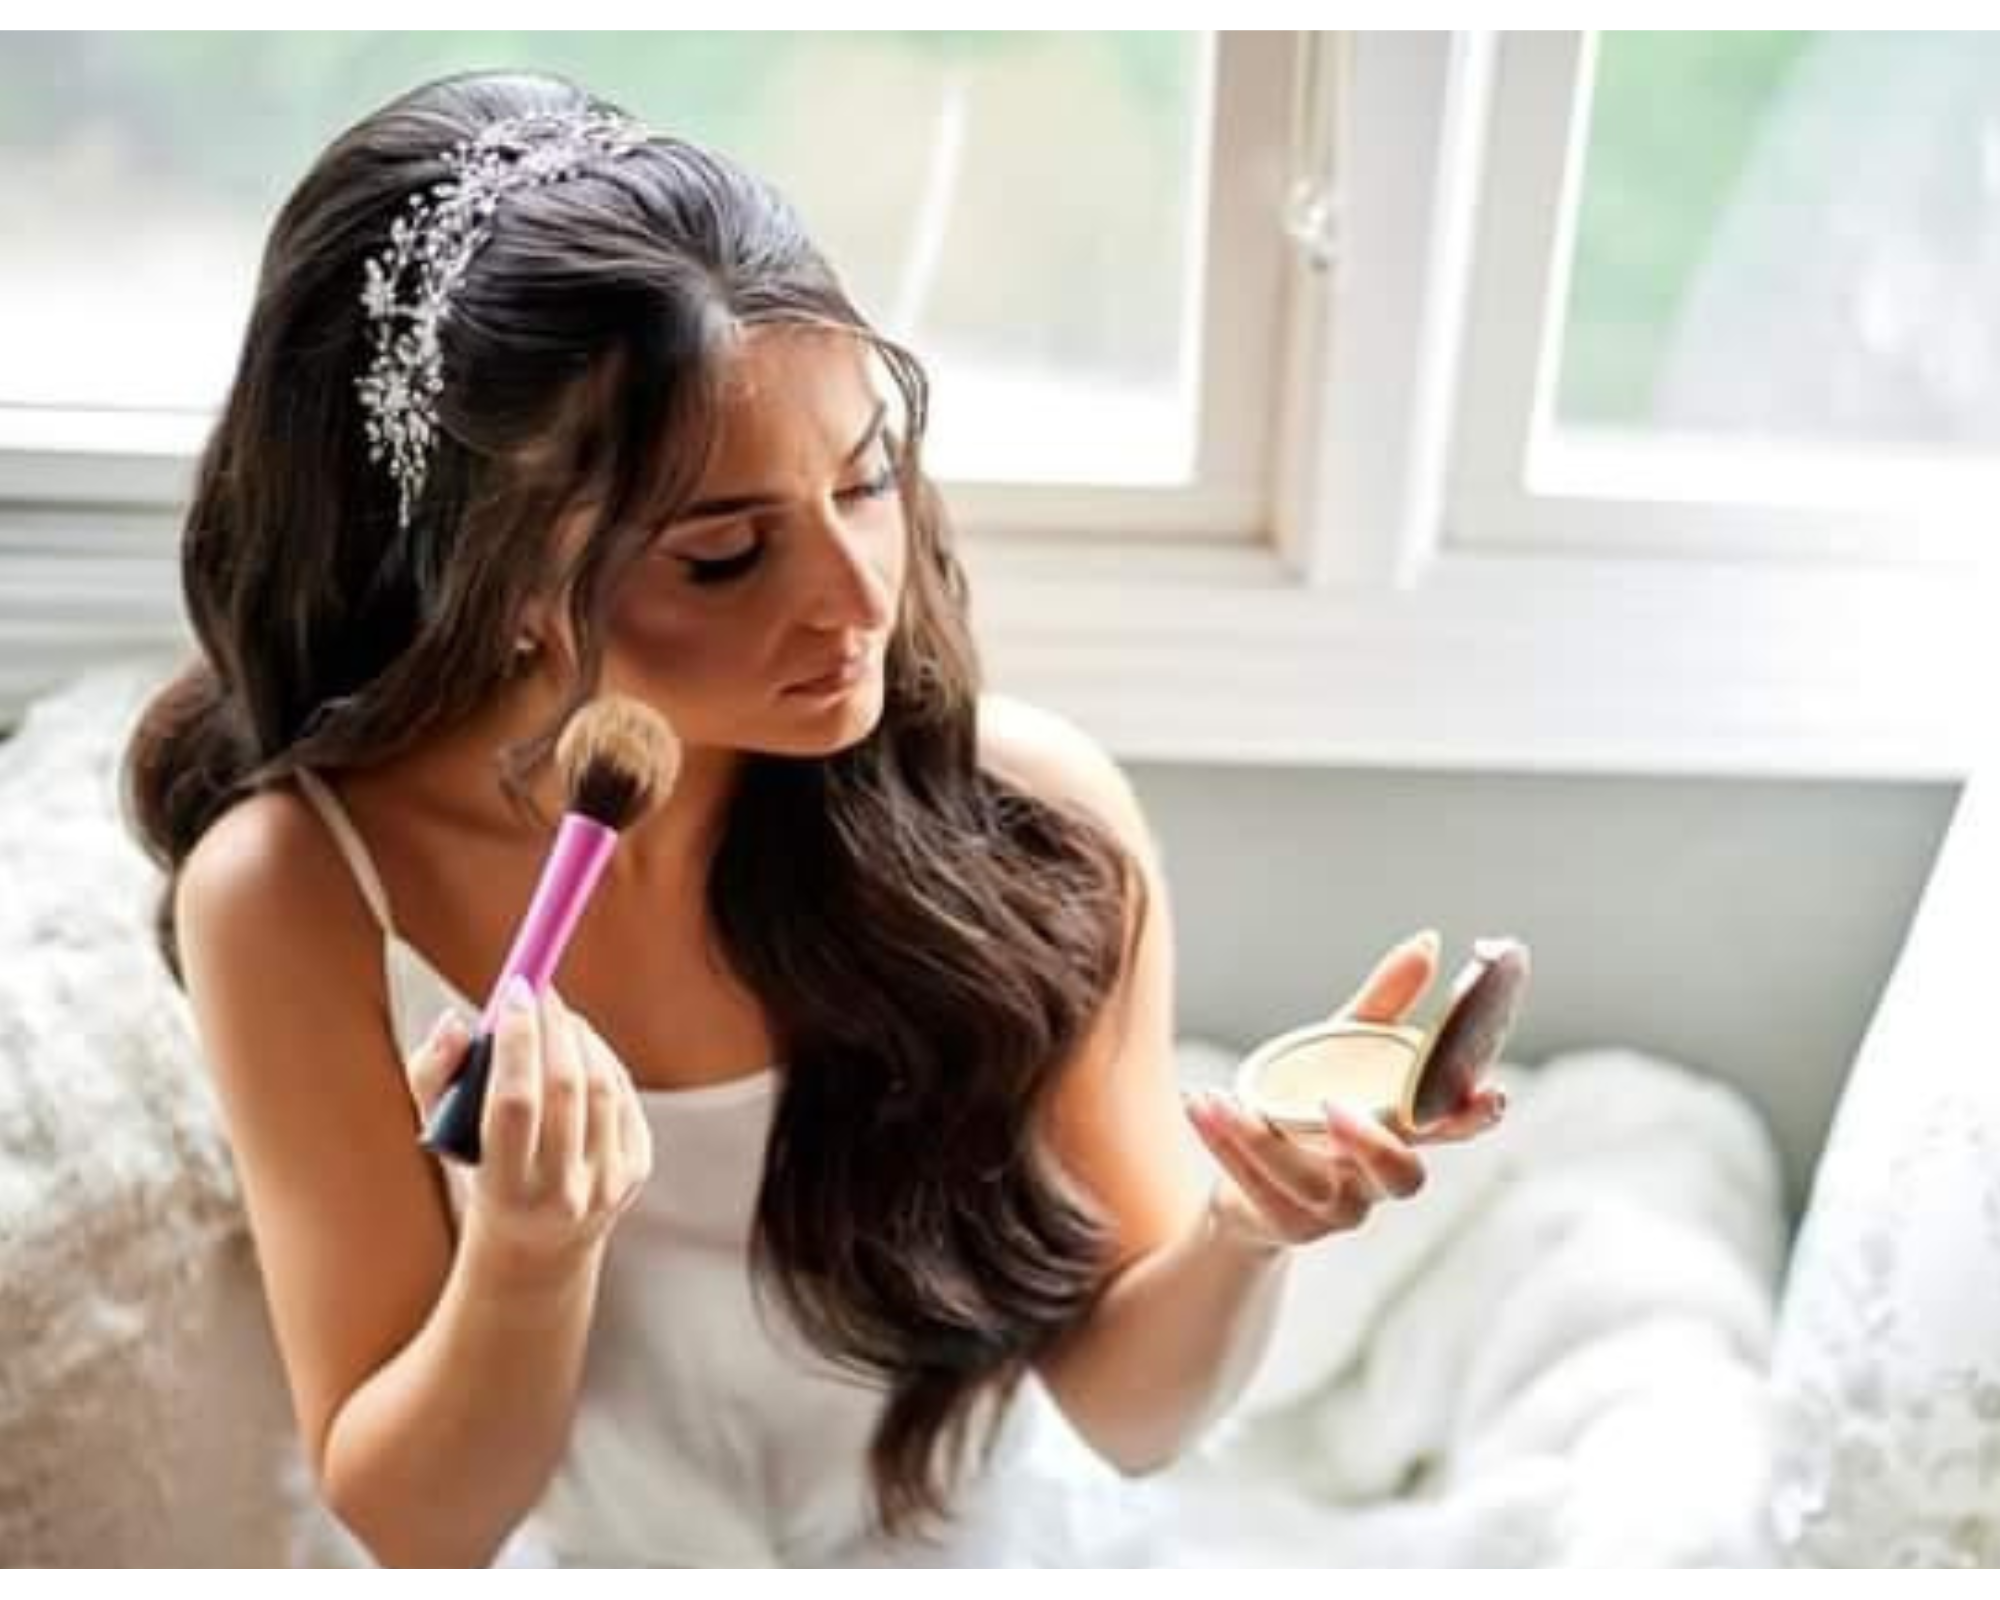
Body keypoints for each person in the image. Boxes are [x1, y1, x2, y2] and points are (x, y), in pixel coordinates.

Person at [123, 68, 1505, 1567]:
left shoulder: (1030, 821)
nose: (856, 599)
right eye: (724, 553)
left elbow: (1131, 1418)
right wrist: (530, 1257)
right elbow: (419, 1521)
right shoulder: (303, 895)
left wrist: (1249, 1225)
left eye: (867, 482)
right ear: (499, 572)